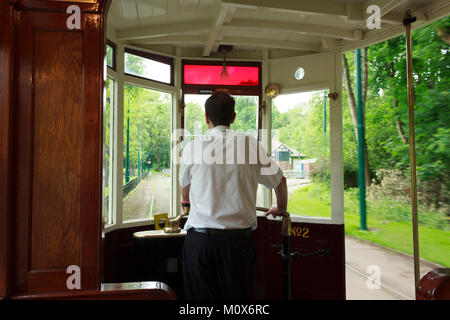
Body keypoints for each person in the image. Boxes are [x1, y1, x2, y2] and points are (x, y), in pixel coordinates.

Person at [179, 91, 288, 300]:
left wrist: (186, 203)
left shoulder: (193, 148)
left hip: (201, 243)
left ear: (206, 117)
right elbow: (280, 181)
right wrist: (280, 209)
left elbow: (185, 187)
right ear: (233, 117)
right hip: (238, 245)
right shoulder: (250, 145)